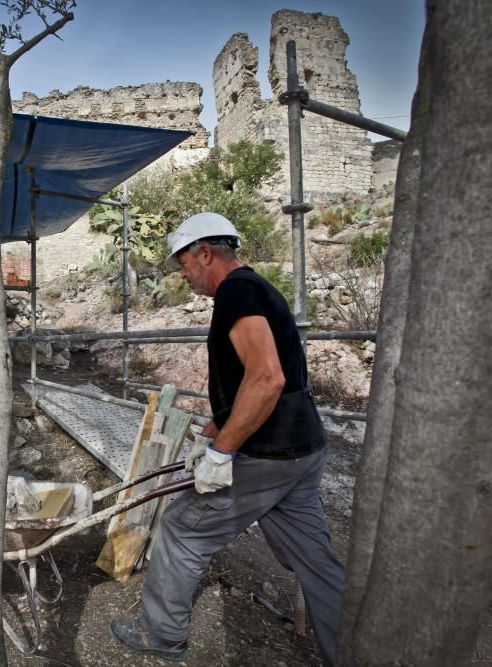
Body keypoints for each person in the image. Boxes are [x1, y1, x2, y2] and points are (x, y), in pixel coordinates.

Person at [109, 213, 344, 664]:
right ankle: (356, 650)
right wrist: (210, 432)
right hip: (303, 448)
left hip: (267, 452)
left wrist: (223, 451)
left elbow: (267, 379)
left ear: (205, 253)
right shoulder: (257, 289)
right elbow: (249, 385)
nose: (182, 273)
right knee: (315, 560)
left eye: (183, 263)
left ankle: (162, 636)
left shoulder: (237, 292)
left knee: (182, 530)